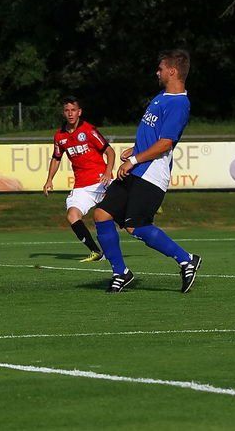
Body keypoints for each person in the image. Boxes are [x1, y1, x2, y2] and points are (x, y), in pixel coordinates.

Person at [92, 49, 201, 293]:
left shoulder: (179, 103)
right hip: (138, 166)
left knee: (136, 226)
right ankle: (121, 272)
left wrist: (134, 160)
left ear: (172, 71)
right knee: (101, 214)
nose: (157, 72)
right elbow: (155, 136)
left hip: (151, 173)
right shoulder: (162, 96)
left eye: (160, 69)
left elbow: (166, 143)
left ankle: (186, 260)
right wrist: (136, 149)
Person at [43, 96, 115, 262]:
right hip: (82, 185)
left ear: (79, 112)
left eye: (73, 110)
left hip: (101, 181)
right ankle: (96, 252)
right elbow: (56, 158)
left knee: (121, 219)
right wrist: (49, 180)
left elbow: (109, 151)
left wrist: (107, 172)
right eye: (67, 110)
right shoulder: (59, 136)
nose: (70, 114)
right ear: (63, 113)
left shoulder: (89, 130)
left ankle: (143, 212)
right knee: (72, 215)